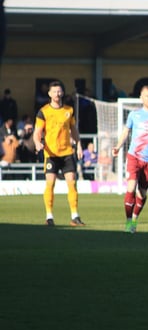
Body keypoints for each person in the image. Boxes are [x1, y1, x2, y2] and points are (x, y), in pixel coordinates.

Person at [112, 85, 148, 233]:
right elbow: (126, 132)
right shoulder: (134, 114)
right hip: (134, 156)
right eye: (147, 96)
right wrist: (118, 146)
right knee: (130, 187)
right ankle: (128, 222)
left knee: (142, 193)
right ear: (141, 98)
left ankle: (135, 219)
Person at [33, 81, 85, 226]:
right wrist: (38, 142)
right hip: (51, 154)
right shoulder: (43, 111)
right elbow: (37, 132)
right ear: (49, 94)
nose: (57, 94)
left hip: (67, 152)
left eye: (59, 91)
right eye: (54, 91)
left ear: (62, 93)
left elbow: (74, 130)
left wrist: (79, 145)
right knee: (50, 184)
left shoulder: (69, 110)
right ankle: (49, 216)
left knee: (72, 183)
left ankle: (75, 216)